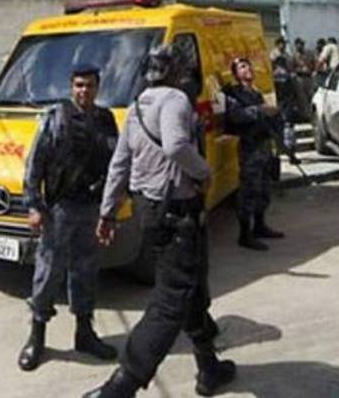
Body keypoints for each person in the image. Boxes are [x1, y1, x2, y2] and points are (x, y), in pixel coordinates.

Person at [85, 45, 235, 398]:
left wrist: (107, 213)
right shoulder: (176, 100)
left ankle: (209, 367)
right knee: (170, 301)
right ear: (176, 71)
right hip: (176, 213)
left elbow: (119, 164)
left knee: (192, 287)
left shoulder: (138, 106)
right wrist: (204, 171)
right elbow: (176, 145)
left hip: (150, 210)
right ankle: (121, 386)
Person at [17, 64, 119, 372]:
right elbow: (35, 165)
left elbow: (116, 164)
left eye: (89, 85)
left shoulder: (105, 120)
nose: (83, 91)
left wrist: (110, 210)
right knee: (48, 274)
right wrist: (34, 205)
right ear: (70, 87)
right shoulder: (55, 118)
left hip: (91, 209)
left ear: (98, 87)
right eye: (78, 85)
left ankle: (85, 333)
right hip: (59, 211)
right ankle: (37, 336)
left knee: (86, 272)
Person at [223, 57, 286, 251]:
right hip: (250, 147)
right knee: (249, 191)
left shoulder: (256, 92)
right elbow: (236, 115)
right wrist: (260, 110)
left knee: (264, 190)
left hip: (263, 145)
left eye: (248, 65)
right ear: (236, 73)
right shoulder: (234, 94)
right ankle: (245, 234)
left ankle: (260, 225)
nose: (248, 68)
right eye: (242, 67)